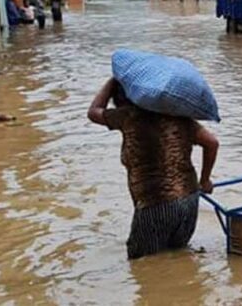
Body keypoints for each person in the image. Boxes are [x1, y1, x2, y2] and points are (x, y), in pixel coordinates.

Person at [87, 77, 219, 259]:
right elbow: (212, 143)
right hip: (189, 201)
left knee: (141, 265)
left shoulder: (128, 116)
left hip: (155, 205)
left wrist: (112, 81)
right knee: (178, 258)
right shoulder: (178, 116)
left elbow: (93, 112)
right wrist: (205, 180)